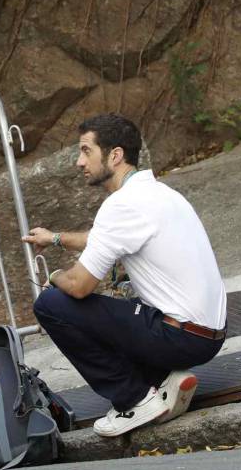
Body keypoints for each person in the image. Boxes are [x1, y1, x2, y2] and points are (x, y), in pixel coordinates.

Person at [25, 113, 227, 437]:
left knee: (52, 305)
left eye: (85, 151)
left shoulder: (121, 205)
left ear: (114, 155)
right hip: (208, 334)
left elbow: (79, 286)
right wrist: (55, 238)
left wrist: (57, 276)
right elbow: (100, 239)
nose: (79, 162)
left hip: (179, 338)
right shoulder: (160, 194)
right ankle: (161, 379)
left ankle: (133, 399)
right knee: (118, 307)